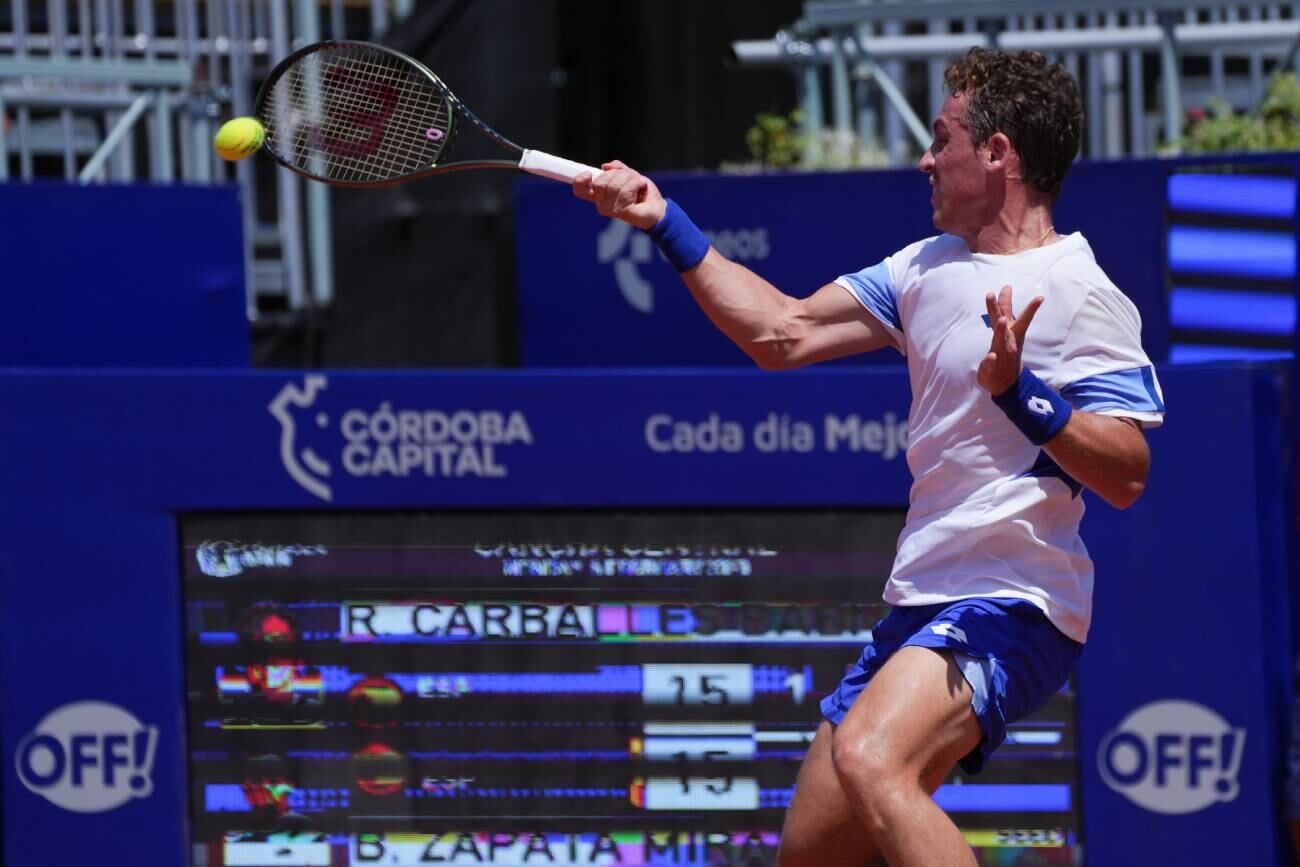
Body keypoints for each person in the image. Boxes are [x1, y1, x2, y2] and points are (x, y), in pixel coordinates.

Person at [573, 47, 1163, 867]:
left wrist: (1019, 391)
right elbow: (782, 332)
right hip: (921, 599)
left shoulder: (1079, 287)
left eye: (942, 137)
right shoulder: (920, 268)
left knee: (871, 758)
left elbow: (1128, 471)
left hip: (1016, 598)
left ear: (998, 154)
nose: (925, 158)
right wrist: (662, 219)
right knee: (811, 856)